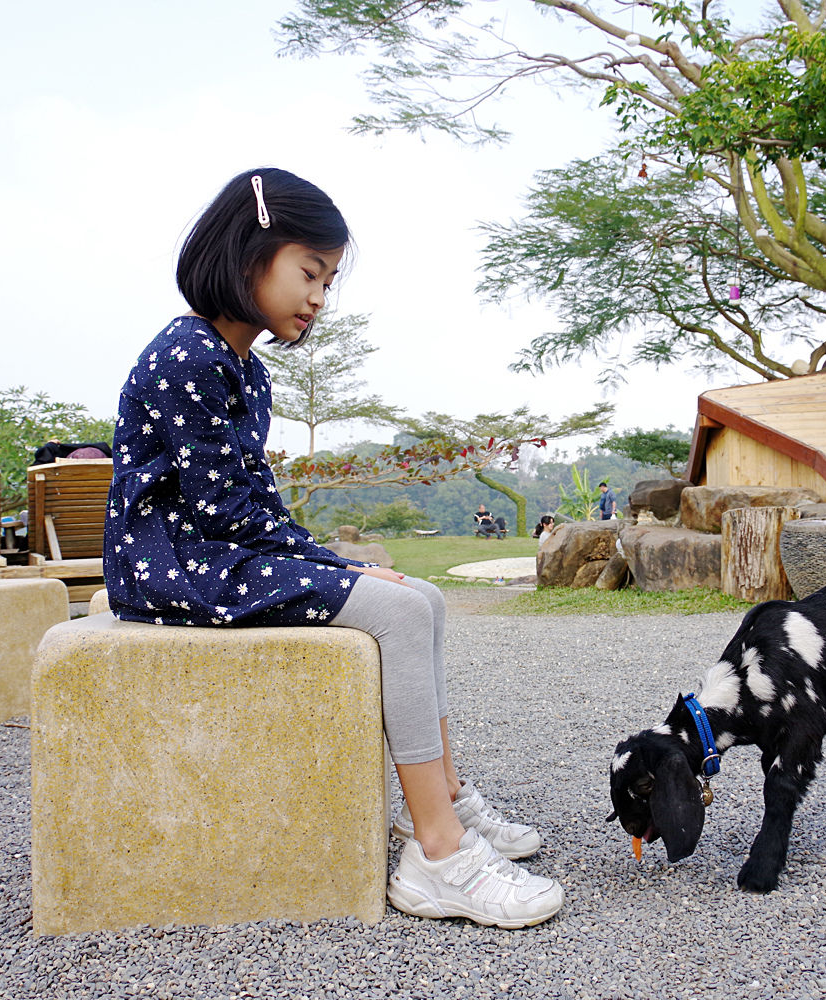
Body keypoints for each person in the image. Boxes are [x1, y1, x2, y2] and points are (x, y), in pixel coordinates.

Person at [102, 168, 562, 929]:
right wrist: (335, 563)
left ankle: (440, 802)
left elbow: (251, 504)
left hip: (215, 551)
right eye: (308, 272)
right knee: (398, 610)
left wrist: (331, 559)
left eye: (329, 279)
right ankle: (439, 857)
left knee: (425, 597)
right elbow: (222, 512)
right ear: (249, 253)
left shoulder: (242, 365)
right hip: (178, 567)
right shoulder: (189, 357)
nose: (320, 298)